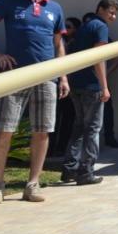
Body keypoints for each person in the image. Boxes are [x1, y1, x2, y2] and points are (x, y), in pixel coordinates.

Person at [0, 0, 70, 204]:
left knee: (42, 131)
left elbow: (58, 44)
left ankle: (32, 184)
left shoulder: (55, 8)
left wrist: (63, 76)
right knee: (5, 130)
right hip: (16, 75)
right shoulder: (10, 0)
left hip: (46, 77)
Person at [61, 0, 118, 185]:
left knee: (79, 127)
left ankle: (69, 169)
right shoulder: (100, 27)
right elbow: (98, 58)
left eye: (115, 14)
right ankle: (86, 172)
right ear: (100, 9)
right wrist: (104, 86)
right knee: (93, 129)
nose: (113, 17)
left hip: (76, 84)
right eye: (111, 12)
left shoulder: (85, 26)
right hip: (91, 86)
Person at [50, 16, 81, 156]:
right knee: (53, 118)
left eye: (68, 27)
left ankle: (62, 148)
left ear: (76, 29)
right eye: (64, 26)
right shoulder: (57, 41)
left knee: (68, 119)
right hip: (55, 83)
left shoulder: (78, 43)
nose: (65, 29)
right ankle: (50, 149)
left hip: (72, 86)